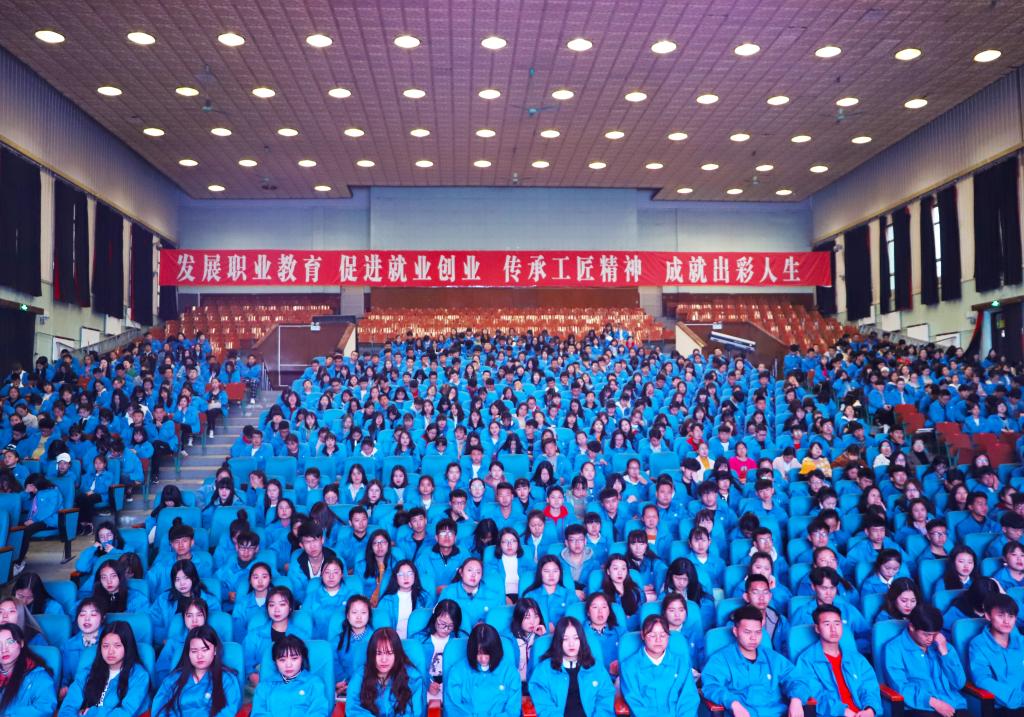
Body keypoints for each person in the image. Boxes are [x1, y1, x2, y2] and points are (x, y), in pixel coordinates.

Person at [701, 605, 812, 717]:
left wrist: (796, 699)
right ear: (735, 631)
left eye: (758, 632)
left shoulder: (773, 658)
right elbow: (711, 686)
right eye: (747, 632)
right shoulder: (721, 660)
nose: (753, 638)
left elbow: (797, 679)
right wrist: (733, 704)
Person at [794, 605, 882, 717]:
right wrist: (843, 712)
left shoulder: (857, 659)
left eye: (837, 624)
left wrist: (870, 709)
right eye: (827, 624)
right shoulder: (807, 660)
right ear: (817, 628)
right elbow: (816, 695)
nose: (833, 629)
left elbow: (869, 687)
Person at [880, 604, 967, 717]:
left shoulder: (942, 645)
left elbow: (959, 683)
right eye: (926, 634)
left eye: (935, 634)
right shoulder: (894, 648)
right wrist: (933, 703)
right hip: (919, 708)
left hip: (953, 704)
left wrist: (945, 654)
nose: (931, 639)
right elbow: (900, 686)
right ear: (912, 627)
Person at [527, 616, 616, 717]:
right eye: (565, 639)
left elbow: (605, 700)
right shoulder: (543, 670)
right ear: (558, 641)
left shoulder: (595, 667)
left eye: (576, 638)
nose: (571, 644)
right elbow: (544, 707)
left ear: (581, 640)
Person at [58, 621, 150, 717]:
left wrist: (91, 713)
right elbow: (68, 707)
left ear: (127, 647)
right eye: (105, 646)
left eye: (117, 646)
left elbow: (125, 713)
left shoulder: (139, 676)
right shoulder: (88, 672)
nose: (110, 651)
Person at [151, 625, 242, 717]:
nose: (199, 656)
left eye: (205, 650)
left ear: (215, 650)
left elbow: (227, 712)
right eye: (194, 651)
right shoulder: (173, 678)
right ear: (188, 653)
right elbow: (159, 709)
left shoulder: (227, 680)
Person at [619, 614, 700, 717]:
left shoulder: (681, 663)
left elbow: (689, 699)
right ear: (643, 635)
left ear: (668, 636)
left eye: (663, 635)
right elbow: (636, 704)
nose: (658, 640)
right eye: (652, 635)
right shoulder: (629, 667)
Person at [443, 623, 522, 717]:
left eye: (487, 654)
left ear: (496, 650)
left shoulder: (510, 672)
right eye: (478, 653)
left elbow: (513, 710)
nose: (483, 659)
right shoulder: (457, 671)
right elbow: (453, 708)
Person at [347, 627, 426, 717]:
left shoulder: (413, 677)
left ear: (397, 654)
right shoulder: (360, 675)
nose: (384, 660)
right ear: (372, 655)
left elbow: (415, 713)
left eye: (389, 653)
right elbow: (353, 708)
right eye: (378, 653)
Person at [968, 593, 1024, 716]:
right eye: (1000, 615)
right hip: (1002, 706)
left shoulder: (1021, 641)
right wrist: (1015, 697)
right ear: (988, 616)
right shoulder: (978, 644)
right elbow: (982, 679)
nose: (1006, 621)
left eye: (1011, 616)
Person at [250, 635, 329, 717]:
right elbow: (258, 713)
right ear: (275, 662)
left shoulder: (314, 683)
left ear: (302, 659)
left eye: (294, 658)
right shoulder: (265, 685)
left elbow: (318, 713)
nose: (288, 665)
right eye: (282, 660)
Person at [0, 622, 58, 717]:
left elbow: (45, 707)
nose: (3, 649)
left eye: (10, 642)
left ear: (21, 643)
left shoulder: (38, 675)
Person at [59, 598, 105, 696]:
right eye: (82, 614)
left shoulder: (110, 642)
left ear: (102, 618)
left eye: (93, 614)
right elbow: (66, 678)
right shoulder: (68, 646)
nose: (87, 619)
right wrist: (64, 688)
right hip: (78, 694)